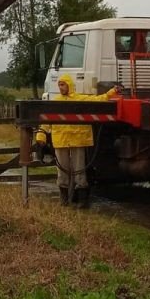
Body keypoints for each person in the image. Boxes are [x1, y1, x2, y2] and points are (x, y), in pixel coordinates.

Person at [50, 73, 120, 209]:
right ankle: (64, 200)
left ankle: (83, 200)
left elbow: (99, 99)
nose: (60, 87)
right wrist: (41, 136)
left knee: (79, 170)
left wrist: (112, 92)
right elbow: (46, 121)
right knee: (62, 171)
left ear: (69, 85)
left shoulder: (80, 99)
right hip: (61, 140)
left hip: (78, 139)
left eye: (63, 84)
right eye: (59, 84)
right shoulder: (55, 101)